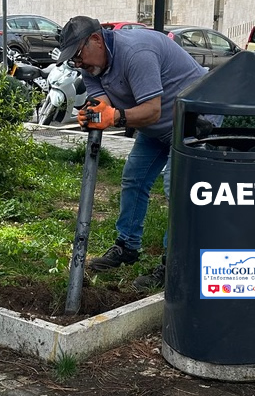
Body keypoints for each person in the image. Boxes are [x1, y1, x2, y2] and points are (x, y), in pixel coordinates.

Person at [56, 16, 206, 291]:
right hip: (157, 128)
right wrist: (94, 114)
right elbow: (103, 104)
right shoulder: (91, 66)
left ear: (96, 40)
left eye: (78, 56)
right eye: (73, 60)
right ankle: (127, 246)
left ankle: (174, 262)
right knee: (133, 178)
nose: (79, 64)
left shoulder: (137, 53)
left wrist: (114, 117)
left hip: (193, 122)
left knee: (176, 187)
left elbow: (151, 110)